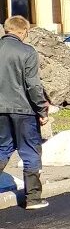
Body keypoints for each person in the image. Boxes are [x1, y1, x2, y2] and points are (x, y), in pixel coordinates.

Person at [1, 16, 51, 210]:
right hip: (24, 110)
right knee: (30, 150)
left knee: (2, 148)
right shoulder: (27, 51)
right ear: (23, 32)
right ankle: (33, 198)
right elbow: (33, 85)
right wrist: (42, 109)